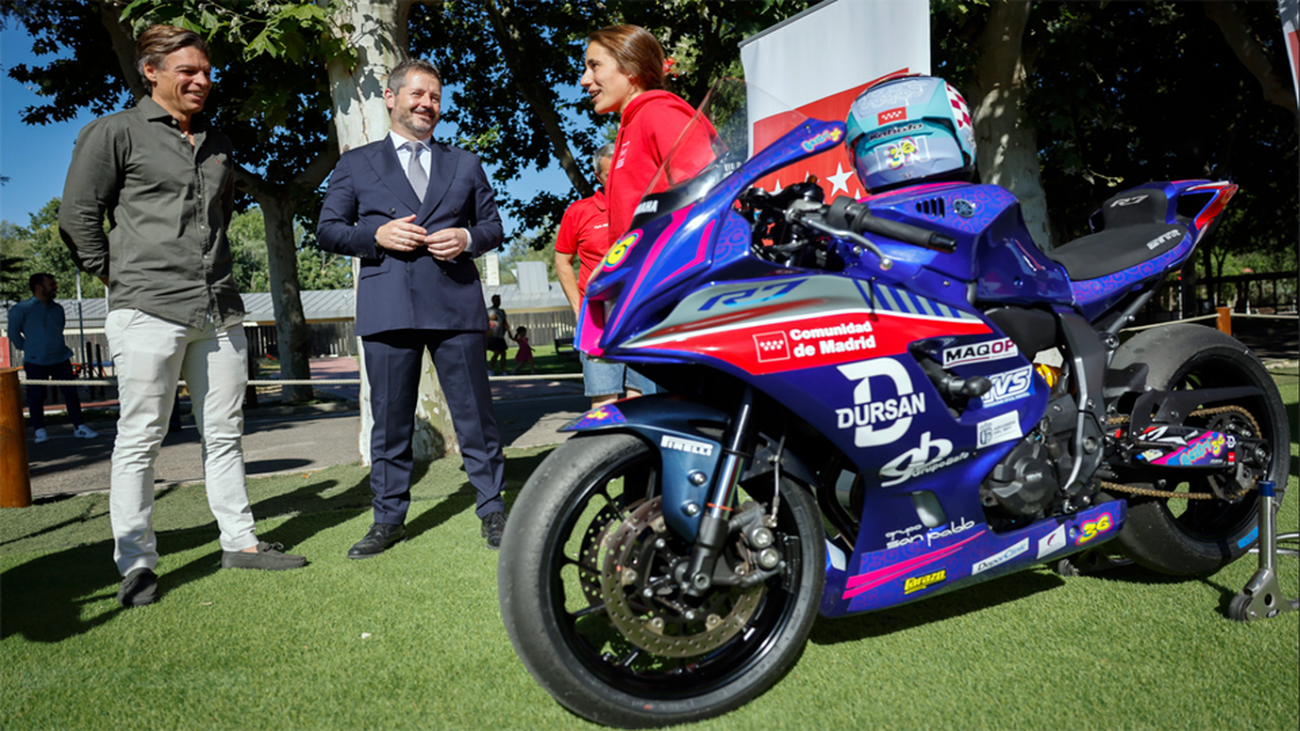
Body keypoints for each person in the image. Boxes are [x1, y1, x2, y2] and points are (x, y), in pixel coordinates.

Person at [58, 24, 307, 607]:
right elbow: (78, 218)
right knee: (140, 437)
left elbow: (216, 217)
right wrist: (116, 275)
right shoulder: (112, 132)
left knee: (225, 432)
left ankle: (240, 542)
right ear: (151, 71)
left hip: (219, 308)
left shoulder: (218, 141)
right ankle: (137, 563)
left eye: (205, 71)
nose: (201, 81)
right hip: (148, 310)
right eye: (187, 71)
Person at [316, 58, 509, 555]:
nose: (427, 105)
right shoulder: (355, 163)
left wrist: (466, 237)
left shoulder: (465, 162)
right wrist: (374, 236)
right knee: (390, 420)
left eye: (435, 98)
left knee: (476, 418)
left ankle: (492, 508)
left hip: (456, 306)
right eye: (418, 95)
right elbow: (328, 229)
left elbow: (492, 227)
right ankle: (387, 519)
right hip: (388, 309)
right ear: (390, 96)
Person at [580, 24, 716, 248]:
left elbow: (706, 195)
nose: (585, 80)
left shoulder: (659, 112)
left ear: (631, 67)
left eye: (594, 66)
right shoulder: (632, 125)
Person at [554, 144, 657, 406]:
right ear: (598, 177)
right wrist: (578, 308)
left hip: (641, 313)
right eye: (611, 174)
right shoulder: (579, 212)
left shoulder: (648, 208)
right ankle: (605, 446)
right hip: (598, 317)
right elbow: (562, 260)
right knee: (604, 398)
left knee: (642, 397)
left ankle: (636, 448)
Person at [7, 273, 98, 443]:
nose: (55, 286)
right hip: (35, 360)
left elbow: (59, 328)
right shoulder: (21, 309)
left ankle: (79, 427)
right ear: (39, 287)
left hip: (60, 357)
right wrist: (28, 348)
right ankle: (40, 430)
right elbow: (13, 333)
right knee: (36, 396)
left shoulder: (58, 309)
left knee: (71, 393)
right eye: (51, 284)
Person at [486, 294, 509, 376]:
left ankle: (502, 371)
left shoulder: (501, 311)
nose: (498, 302)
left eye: (499, 300)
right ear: (492, 301)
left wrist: (508, 332)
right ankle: (490, 370)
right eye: (496, 300)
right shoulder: (488, 311)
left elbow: (505, 322)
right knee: (496, 352)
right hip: (492, 335)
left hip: (500, 335)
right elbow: (483, 320)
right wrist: (491, 318)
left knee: (503, 353)